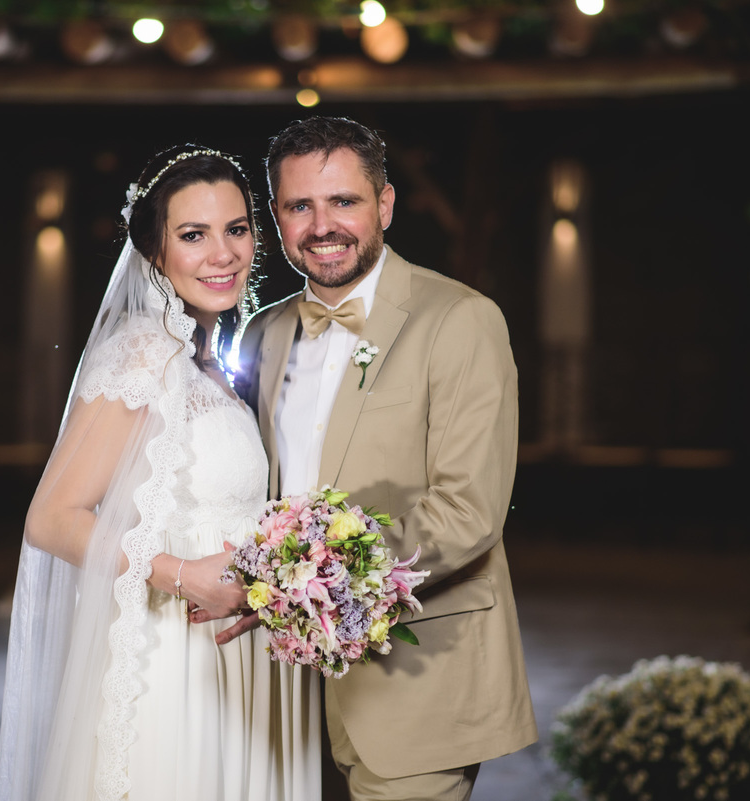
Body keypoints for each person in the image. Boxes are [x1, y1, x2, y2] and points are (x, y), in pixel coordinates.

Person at [224, 117, 537, 800]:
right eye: (300, 206)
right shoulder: (262, 332)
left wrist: (299, 581)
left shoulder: (461, 319)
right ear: (276, 217)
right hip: (281, 692)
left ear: (385, 204)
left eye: (344, 201)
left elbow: (468, 511)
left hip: (417, 682)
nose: (322, 226)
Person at [0, 147, 320, 801]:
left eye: (235, 229)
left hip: (236, 658)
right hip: (172, 662)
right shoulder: (144, 351)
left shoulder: (204, 361)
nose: (223, 254)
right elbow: (51, 519)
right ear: (154, 251)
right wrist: (186, 574)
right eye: (193, 235)